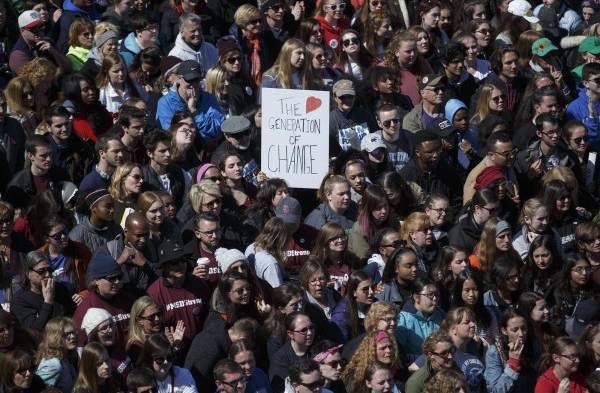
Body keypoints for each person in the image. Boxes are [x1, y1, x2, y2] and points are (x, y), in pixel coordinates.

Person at [146, 240, 210, 348]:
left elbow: (209, 316)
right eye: (174, 263)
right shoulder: (154, 293)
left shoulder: (199, 284)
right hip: (171, 351)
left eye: (183, 260)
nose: (180, 265)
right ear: (163, 266)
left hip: (201, 347)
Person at [72, 249, 135, 349]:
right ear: (96, 280)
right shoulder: (85, 309)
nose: (117, 282)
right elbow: (80, 346)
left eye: (119, 277)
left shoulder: (128, 300)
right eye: (112, 279)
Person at [156, 60, 224, 142]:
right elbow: (171, 136)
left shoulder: (209, 98)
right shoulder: (165, 103)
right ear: (178, 78)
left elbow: (217, 130)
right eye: (189, 80)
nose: (193, 84)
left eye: (196, 80)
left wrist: (195, 112)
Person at [399, 131, 463, 213]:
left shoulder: (449, 173)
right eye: (430, 152)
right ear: (418, 152)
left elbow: (456, 203)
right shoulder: (405, 176)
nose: (435, 155)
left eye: (438, 150)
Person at [11, 251, 73, 332]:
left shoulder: (59, 288)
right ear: (28, 273)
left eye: (50, 270)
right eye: (41, 271)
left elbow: (72, 315)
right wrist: (48, 302)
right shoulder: (19, 301)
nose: (47, 274)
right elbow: (35, 330)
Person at [4, 135, 68, 210]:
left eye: (50, 154)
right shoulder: (17, 186)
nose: (49, 159)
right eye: (43, 156)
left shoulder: (61, 174)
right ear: (31, 156)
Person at [104, 212, 158, 295]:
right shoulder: (109, 249)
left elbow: (162, 279)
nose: (143, 240)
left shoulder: (152, 247)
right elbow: (97, 281)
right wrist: (119, 261)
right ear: (126, 232)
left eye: (146, 235)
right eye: (139, 235)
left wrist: (145, 264)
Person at [44, 105, 94, 186]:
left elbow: (89, 175)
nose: (64, 129)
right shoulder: (39, 148)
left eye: (66, 124)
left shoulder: (82, 147)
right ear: (49, 127)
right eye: (58, 126)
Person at [396, 278, 444, 361]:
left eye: (436, 294)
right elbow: (399, 354)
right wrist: (423, 361)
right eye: (430, 295)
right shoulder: (403, 320)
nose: (435, 298)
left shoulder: (441, 315)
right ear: (416, 297)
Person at [10, 10, 70, 75]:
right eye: (33, 29)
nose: (38, 31)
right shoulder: (18, 55)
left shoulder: (47, 43)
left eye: (40, 27)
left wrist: (54, 52)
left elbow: (68, 68)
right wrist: (58, 71)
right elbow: (34, 81)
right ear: (22, 30)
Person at [269, 312, 315, 393]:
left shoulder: (317, 348)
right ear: (291, 334)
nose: (310, 333)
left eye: (311, 327)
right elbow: (281, 389)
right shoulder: (280, 359)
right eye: (304, 330)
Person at [328, 79, 374, 157]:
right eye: (342, 97)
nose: (347, 100)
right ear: (335, 97)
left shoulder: (365, 114)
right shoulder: (330, 120)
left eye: (350, 96)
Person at [349, 185, 395, 261]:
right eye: (378, 208)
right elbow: (363, 258)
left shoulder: (392, 221)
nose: (384, 211)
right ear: (369, 208)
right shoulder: (359, 228)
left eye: (385, 206)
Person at [69, 189, 121, 254]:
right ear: (93, 207)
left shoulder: (116, 229)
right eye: (108, 207)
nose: (112, 210)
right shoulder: (76, 235)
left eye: (113, 206)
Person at [448, 188, 500, 254]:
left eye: (498, 209)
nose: (496, 214)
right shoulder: (458, 235)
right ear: (477, 209)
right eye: (491, 210)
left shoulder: (495, 227)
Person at [34, 317, 78, 392]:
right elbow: (40, 390)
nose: (72, 337)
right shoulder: (52, 364)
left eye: (73, 332)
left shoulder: (66, 357)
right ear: (55, 337)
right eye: (66, 334)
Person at [567, 62, 600, 144]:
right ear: (586, 83)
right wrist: (591, 117)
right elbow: (582, 141)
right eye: (598, 80)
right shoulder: (573, 108)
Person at [374, 104, 412, 172]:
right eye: (387, 123)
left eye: (395, 121)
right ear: (379, 124)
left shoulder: (410, 138)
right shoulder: (374, 141)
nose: (392, 125)